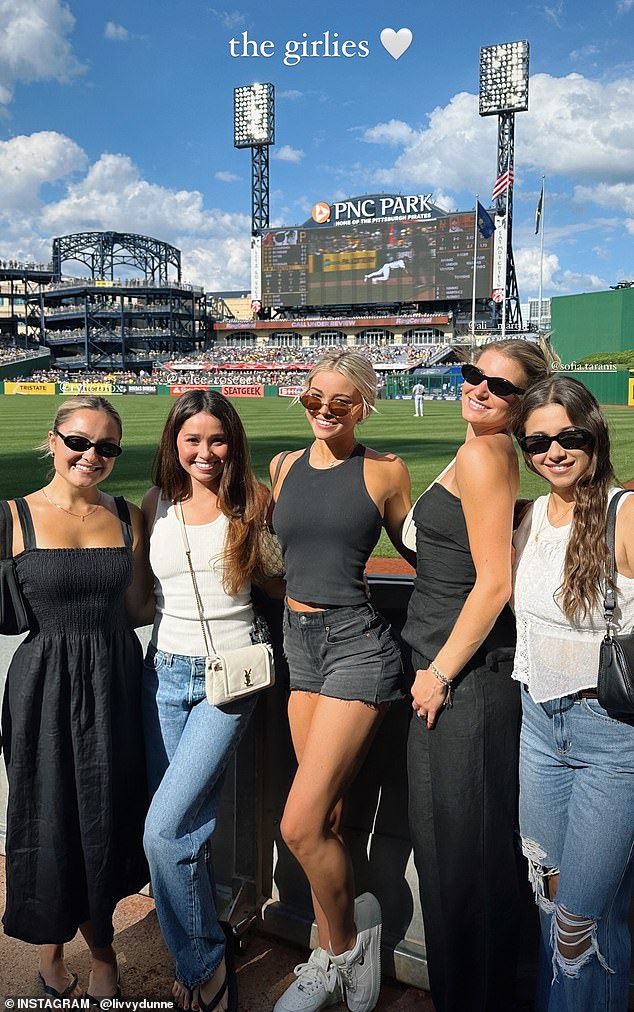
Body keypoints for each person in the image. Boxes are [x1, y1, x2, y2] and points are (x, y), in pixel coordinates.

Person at [403, 340, 551, 1012]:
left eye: (501, 386)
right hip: (456, 679)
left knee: (466, 869)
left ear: (523, 405)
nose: (481, 389)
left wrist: (437, 672)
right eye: (472, 375)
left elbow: (494, 583)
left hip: (461, 684)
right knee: (457, 863)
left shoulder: (484, 454)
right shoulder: (487, 454)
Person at [270, 349, 413, 1012]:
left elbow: (421, 547)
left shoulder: (384, 471)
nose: (324, 411)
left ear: (363, 405)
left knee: (297, 824)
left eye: (340, 402)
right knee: (322, 816)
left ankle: (342, 952)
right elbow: (281, 557)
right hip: (299, 648)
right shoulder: (283, 466)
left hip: (358, 646)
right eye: (313, 400)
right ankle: (342, 949)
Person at [0, 396, 150, 1002]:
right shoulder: (13, 516)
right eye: (79, 442)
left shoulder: (129, 515)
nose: (92, 456)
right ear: (53, 440)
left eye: (107, 447)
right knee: (47, 813)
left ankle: (104, 949)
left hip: (116, 678)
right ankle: (49, 949)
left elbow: (141, 607)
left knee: (107, 814)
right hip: (42, 686)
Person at [141, 389, 275, 1012]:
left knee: (162, 831)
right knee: (187, 831)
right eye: (191, 439)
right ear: (174, 443)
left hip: (232, 678)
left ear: (232, 442)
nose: (204, 452)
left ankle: (204, 965)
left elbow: (279, 578)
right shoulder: (155, 506)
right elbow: (144, 597)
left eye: (216, 439)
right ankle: (200, 955)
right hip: (166, 674)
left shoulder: (253, 501)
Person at [512, 376, 634, 1012]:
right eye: (537, 441)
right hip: (538, 729)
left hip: (610, 739)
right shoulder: (531, 517)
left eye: (569, 437)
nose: (553, 452)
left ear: (595, 436)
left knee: (579, 923)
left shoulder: (626, 512)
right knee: (549, 903)